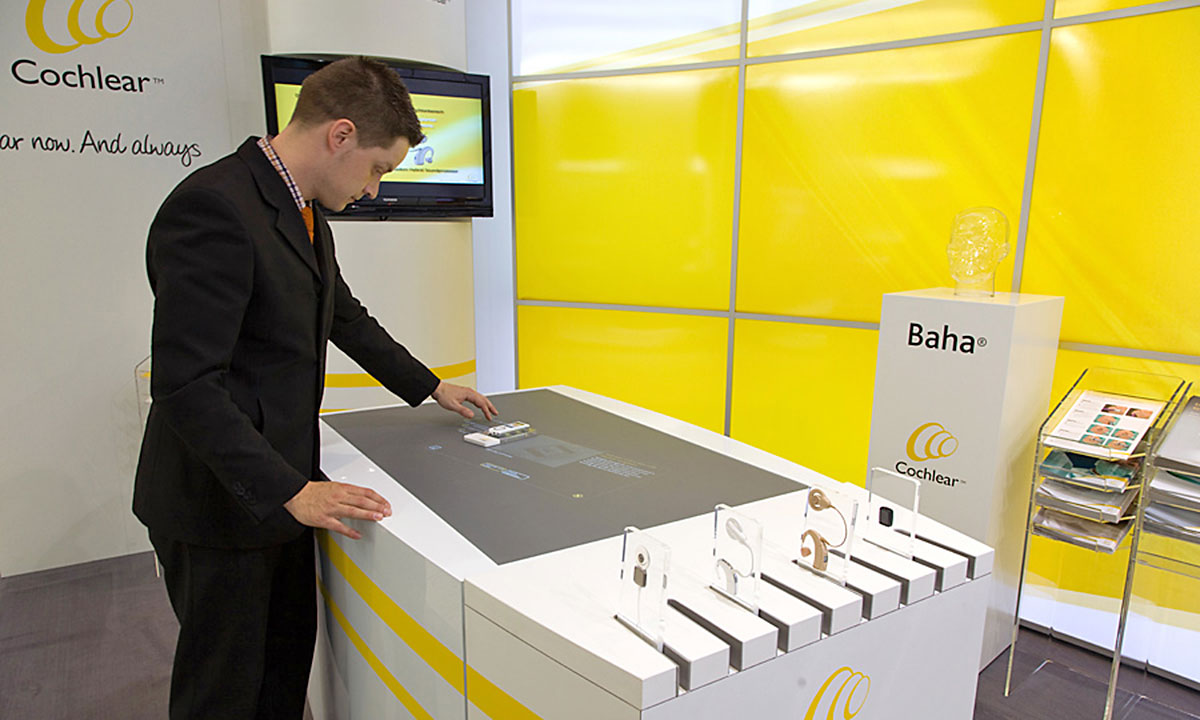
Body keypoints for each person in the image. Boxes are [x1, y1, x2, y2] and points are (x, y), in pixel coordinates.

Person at [133, 57, 497, 720]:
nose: (375, 190)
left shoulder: (302, 210)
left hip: (282, 489)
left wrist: (430, 386)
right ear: (341, 135)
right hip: (220, 504)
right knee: (223, 691)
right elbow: (187, 386)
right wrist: (289, 490)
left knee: (282, 671)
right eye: (377, 169)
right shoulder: (214, 206)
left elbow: (343, 317)